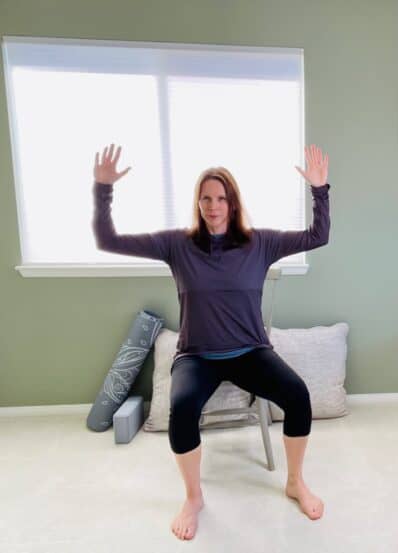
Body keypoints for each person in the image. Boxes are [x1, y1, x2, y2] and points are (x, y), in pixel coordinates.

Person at [92, 143, 331, 540]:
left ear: (233, 203)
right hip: (197, 356)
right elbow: (107, 240)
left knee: (297, 395)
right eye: (206, 198)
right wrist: (103, 190)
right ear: (197, 203)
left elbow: (318, 236)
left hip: (251, 352)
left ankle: (295, 482)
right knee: (181, 407)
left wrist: (320, 191)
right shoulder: (177, 244)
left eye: (221, 198)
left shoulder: (261, 242)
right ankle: (193, 497)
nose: (213, 205)